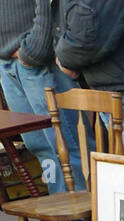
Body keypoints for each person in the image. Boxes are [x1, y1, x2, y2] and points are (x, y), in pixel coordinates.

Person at [54, 0, 124, 161]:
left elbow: (86, 41)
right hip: (119, 89)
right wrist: (65, 57)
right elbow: (67, 26)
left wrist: (65, 59)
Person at [0, 0, 84, 192]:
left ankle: (85, 215)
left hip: (36, 61)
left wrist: (36, 49)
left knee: (67, 144)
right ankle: (61, 207)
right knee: (38, 145)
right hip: (8, 62)